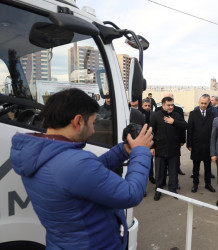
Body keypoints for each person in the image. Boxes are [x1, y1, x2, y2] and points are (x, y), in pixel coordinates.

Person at [10, 88, 153, 249]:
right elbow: (130, 194)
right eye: (92, 123)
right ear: (78, 121)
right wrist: (141, 151)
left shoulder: (39, 154)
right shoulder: (73, 164)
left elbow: (87, 177)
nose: (93, 130)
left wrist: (122, 151)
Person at [150, 96, 187, 201]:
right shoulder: (155, 116)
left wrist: (173, 122)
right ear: (163, 105)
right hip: (160, 149)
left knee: (173, 171)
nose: (171, 107)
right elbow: (151, 132)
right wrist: (152, 147)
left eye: (172, 105)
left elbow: (185, 126)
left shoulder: (177, 115)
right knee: (159, 172)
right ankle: (158, 190)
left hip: (173, 149)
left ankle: (173, 189)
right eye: (168, 105)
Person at [187, 95, 216, 193]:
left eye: (205, 103)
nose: (203, 105)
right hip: (196, 145)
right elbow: (190, 130)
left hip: (208, 146)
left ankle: (208, 184)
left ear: (208, 104)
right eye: (202, 103)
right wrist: (189, 144)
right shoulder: (193, 113)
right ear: (199, 103)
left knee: (208, 167)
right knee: (196, 167)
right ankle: (195, 184)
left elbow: (213, 131)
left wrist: (214, 146)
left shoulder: (212, 114)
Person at [140, 98, 155, 184]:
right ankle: (142, 181)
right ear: (142, 106)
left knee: (150, 160)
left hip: (150, 141)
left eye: (149, 105)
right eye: (145, 105)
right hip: (141, 142)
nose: (147, 107)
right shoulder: (139, 114)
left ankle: (151, 176)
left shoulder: (153, 114)